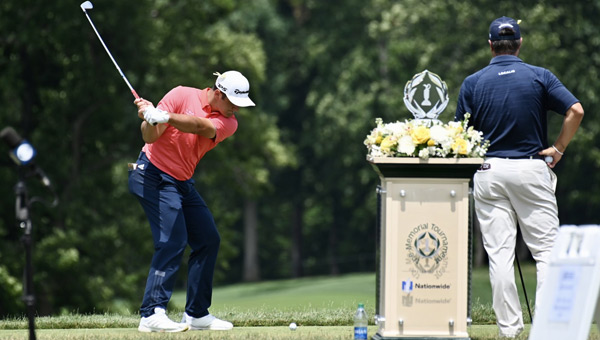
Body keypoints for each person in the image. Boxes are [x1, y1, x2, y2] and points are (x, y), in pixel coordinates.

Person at [455, 16, 584, 338]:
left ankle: (510, 331)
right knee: (546, 253)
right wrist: (559, 148)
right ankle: (547, 328)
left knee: (499, 255)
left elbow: (459, 135)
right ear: (520, 43)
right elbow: (576, 111)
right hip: (531, 169)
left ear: (490, 45)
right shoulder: (540, 76)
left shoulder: (473, 82)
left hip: (489, 171)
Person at [128, 70, 256, 332]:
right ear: (218, 94)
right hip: (152, 175)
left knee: (208, 239)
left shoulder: (228, 122)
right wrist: (151, 119)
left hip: (181, 182)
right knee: (173, 240)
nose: (236, 110)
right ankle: (151, 313)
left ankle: (196, 314)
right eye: (233, 103)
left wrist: (164, 115)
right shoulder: (180, 94)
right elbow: (149, 137)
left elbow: (199, 126)